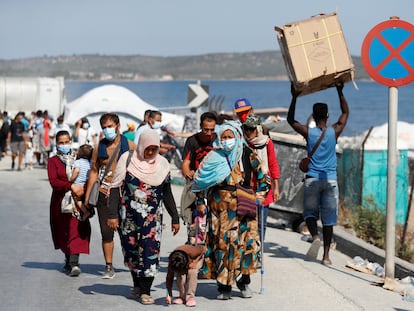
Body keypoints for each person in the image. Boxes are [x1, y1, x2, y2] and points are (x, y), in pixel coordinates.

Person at [192, 121, 270, 300]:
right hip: (219, 210)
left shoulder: (247, 154)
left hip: (244, 206)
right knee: (223, 245)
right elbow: (199, 181)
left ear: (237, 136)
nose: (227, 140)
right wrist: (200, 201)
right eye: (224, 137)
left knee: (245, 245)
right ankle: (224, 286)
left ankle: (244, 282)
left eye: (230, 137)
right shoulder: (213, 157)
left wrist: (260, 194)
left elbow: (263, 177)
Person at [107, 128, 180, 305]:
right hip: (128, 218)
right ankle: (137, 285)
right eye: (147, 148)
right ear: (141, 145)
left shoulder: (162, 165)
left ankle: (146, 290)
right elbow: (116, 187)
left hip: (152, 220)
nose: (149, 152)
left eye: (154, 149)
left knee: (149, 251)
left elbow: (167, 193)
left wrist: (175, 217)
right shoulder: (128, 159)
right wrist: (112, 215)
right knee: (131, 251)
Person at [287, 82, 349, 265]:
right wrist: (340, 91)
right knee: (329, 220)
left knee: (310, 214)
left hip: (312, 179)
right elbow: (345, 114)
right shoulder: (334, 132)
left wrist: (294, 97)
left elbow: (291, 120)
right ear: (328, 116)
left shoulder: (309, 133)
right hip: (330, 180)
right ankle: (326, 256)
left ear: (313, 116)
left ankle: (315, 237)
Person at [84, 112, 135, 279]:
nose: (107, 130)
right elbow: (94, 171)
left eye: (110, 126)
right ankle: (108, 266)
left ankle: (131, 259)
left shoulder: (131, 146)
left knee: (127, 231)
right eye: (104, 127)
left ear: (118, 126)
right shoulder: (100, 147)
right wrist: (87, 197)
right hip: (104, 194)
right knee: (107, 232)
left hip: (125, 195)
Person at [47, 130, 91, 276]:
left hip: (77, 202)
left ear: (71, 141)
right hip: (60, 203)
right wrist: (70, 186)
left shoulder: (78, 158)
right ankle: (68, 259)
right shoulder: (53, 161)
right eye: (61, 143)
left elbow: (87, 174)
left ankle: (74, 263)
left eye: (67, 142)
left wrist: (83, 190)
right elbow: (54, 182)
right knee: (64, 231)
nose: (65, 145)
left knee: (76, 230)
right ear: (57, 144)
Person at [242, 114, 280, 242]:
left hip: (263, 187)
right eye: (246, 128)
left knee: (261, 223)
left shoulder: (267, 143)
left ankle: (257, 251)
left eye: (251, 129)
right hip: (246, 187)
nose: (248, 132)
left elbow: (273, 163)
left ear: (257, 129)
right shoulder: (243, 143)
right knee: (246, 221)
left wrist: (276, 187)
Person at [180, 111, 217, 243]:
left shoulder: (217, 140)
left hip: (213, 185)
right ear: (201, 126)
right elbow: (185, 163)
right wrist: (188, 172)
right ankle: (192, 244)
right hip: (196, 185)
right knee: (194, 221)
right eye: (206, 129)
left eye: (212, 129)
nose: (208, 132)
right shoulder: (192, 141)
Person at [69, 144, 94, 221]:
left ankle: (85, 211)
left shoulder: (78, 162)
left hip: (77, 184)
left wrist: (71, 179)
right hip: (85, 185)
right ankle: (88, 209)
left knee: (77, 199)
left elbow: (76, 171)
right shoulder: (90, 163)